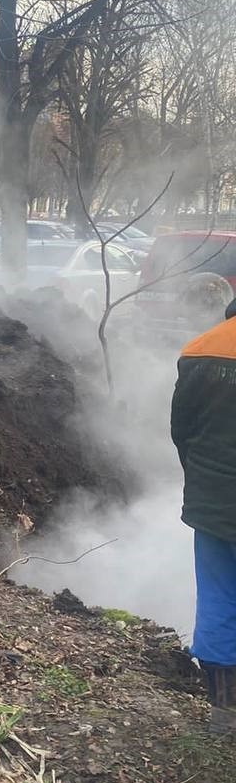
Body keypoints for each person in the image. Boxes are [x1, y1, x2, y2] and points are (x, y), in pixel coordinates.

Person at [171, 298, 236, 734]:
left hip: (214, 503)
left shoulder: (201, 348)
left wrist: (203, 482)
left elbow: (182, 431)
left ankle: (223, 714)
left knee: (218, 597)